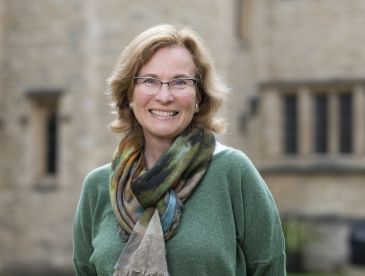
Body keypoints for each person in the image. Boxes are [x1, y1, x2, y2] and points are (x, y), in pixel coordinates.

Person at [73, 24, 286, 276]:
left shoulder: (233, 173)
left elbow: (269, 268)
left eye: (180, 82)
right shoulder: (97, 187)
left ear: (199, 97)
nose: (164, 96)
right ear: (129, 95)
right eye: (150, 81)